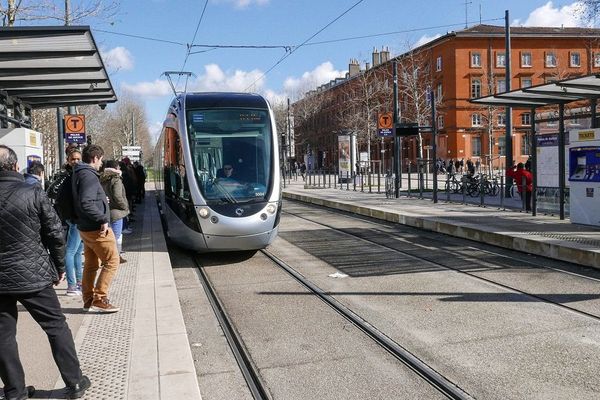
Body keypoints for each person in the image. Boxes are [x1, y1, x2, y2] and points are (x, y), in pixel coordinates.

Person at [0, 145, 91, 400]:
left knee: (3, 335)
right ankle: (74, 383)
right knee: (56, 326)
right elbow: (54, 233)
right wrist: (60, 267)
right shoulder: (33, 192)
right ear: (16, 167)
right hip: (33, 274)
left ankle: (14, 392)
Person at [72, 145, 120, 313]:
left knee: (91, 264)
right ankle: (100, 298)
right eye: (100, 159)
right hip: (96, 228)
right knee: (112, 261)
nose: (101, 163)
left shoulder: (77, 173)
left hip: (84, 227)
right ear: (95, 158)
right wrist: (102, 218)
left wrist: (101, 199)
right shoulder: (89, 176)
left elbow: (84, 199)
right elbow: (86, 202)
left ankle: (88, 298)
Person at [100, 160, 129, 264]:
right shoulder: (116, 179)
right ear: (116, 168)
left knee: (108, 236)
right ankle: (113, 258)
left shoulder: (102, 178)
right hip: (116, 212)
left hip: (106, 211)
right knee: (116, 237)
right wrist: (125, 207)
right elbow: (118, 196)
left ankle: (108, 257)